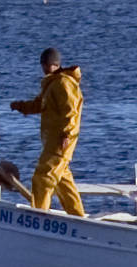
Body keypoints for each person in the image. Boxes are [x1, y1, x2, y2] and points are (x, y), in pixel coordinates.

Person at [10, 47, 86, 215]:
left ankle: (38, 216)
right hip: (53, 140)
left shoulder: (63, 83)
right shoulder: (53, 83)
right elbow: (40, 105)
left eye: (46, 65)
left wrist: (67, 134)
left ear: (54, 64)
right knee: (62, 180)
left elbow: (71, 112)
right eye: (42, 64)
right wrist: (20, 106)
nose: (43, 68)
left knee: (43, 176)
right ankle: (79, 217)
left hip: (61, 141)